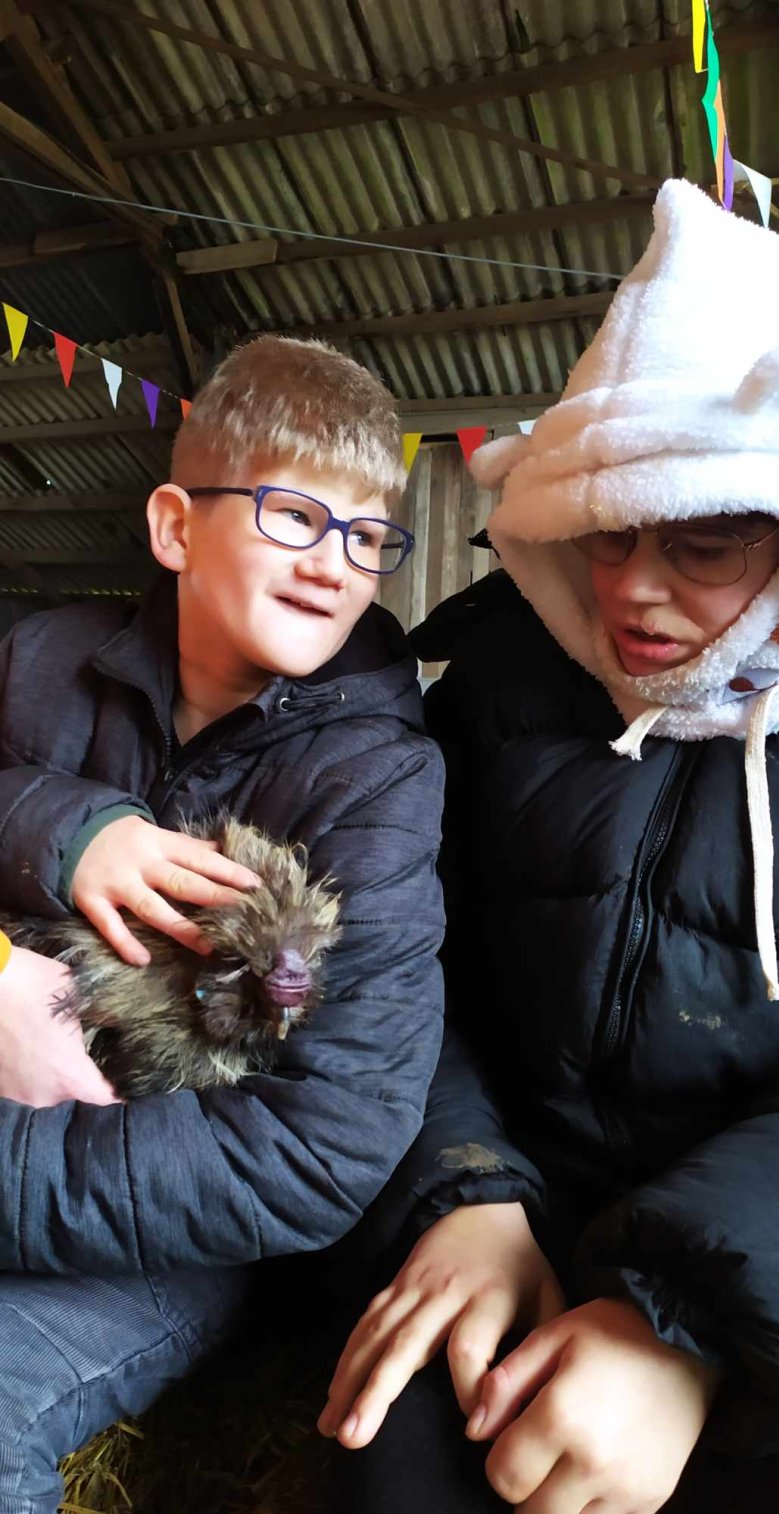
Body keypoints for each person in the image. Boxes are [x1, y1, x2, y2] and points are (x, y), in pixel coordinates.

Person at [318, 181, 779, 1513]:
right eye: (605, 526)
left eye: (705, 536)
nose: (628, 586)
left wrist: (680, 1324)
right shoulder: (493, 682)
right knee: (391, 1472)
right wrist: (460, 1187)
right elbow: (388, 944)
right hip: (519, 1200)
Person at [0, 336, 445, 1513]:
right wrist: (53, 827)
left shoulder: (375, 779)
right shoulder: (38, 660)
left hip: (158, 1224)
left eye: (367, 536)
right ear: (175, 526)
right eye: (296, 514)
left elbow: (321, 1143)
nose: (337, 565)